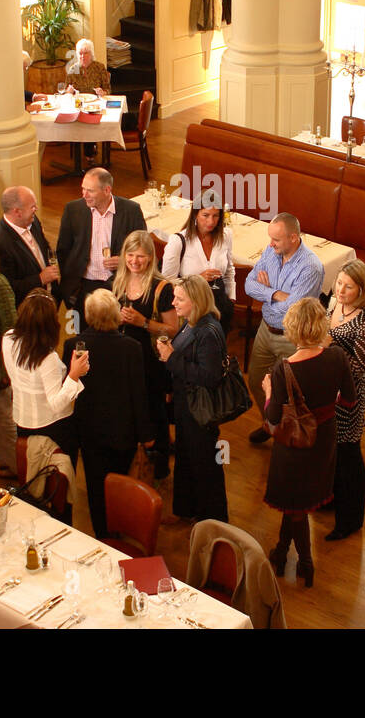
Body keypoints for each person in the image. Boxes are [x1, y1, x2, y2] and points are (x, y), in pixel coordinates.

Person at [260, 297, 354, 588]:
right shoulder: (337, 356)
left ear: (292, 329)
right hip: (324, 441)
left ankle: (306, 562)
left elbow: (272, 419)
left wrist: (267, 391)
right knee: (297, 504)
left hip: (293, 447)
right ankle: (279, 550)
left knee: (294, 505)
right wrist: (321, 408)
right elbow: (349, 401)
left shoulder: (283, 369)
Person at [61, 289, 152, 539]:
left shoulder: (73, 346)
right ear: (116, 316)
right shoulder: (132, 348)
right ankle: (119, 528)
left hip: (89, 432)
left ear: (88, 315)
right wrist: (147, 435)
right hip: (123, 431)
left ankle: (101, 531)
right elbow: (138, 394)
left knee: (95, 484)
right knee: (121, 482)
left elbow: (68, 392)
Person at [245, 212, 327, 444]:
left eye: (276, 240)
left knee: (290, 392)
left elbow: (293, 308)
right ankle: (271, 423)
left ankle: (289, 434)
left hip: (291, 337)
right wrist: (274, 293)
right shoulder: (272, 251)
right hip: (265, 330)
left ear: (293, 238)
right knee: (256, 380)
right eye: (271, 239)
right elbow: (249, 284)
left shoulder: (310, 267)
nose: (270, 244)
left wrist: (267, 294)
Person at [156, 276, 229, 523]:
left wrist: (171, 358)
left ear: (195, 301)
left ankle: (212, 521)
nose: (173, 302)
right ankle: (187, 510)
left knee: (205, 465)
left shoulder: (208, 331)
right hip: (186, 406)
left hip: (200, 411)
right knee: (187, 459)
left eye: (179, 298)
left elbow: (210, 376)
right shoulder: (191, 322)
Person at [111, 230, 177, 473]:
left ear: (151, 257)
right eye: (130, 255)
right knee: (129, 407)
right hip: (124, 359)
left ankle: (159, 462)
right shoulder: (116, 282)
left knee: (154, 410)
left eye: (140, 256)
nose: (134, 261)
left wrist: (143, 323)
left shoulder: (163, 288)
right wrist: (114, 319)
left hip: (151, 362)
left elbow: (172, 330)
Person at [324, 259, 365, 542]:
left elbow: (359, 365)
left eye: (349, 286)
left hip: (350, 395)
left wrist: (328, 355)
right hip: (327, 389)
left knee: (348, 455)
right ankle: (331, 499)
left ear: (362, 289)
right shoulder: (334, 305)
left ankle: (350, 519)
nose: (342, 290)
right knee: (331, 450)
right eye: (339, 283)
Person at [3, 290, 87, 462]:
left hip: (22, 419)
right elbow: (56, 404)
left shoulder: (8, 338)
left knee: (30, 470)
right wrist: (74, 375)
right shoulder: (47, 358)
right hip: (52, 426)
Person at [55, 167, 147, 311]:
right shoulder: (73, 210)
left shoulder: (131, 211)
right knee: (83, 332)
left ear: (107, 190)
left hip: (119, 282)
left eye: (90, 191)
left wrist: (124, 260)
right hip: (83, 286)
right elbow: (63, 250)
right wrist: (70, 288)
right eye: (83, 189)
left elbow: (143, 248)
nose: (84, 195)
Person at [160, 196, 236, 336]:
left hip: (220, 306)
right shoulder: (178, 241)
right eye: (205, 215)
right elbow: (166, 282)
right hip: (192, 308)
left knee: (217, 349)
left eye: (215, 216)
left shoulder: (226, 235)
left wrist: (231, 299)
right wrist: (198, 278)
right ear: (195, 213)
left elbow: (229, 271)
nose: (211, 221)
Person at [0, 185, 59, 303]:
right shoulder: (0, 244)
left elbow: (44, 246)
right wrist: (40, 279)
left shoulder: (32, 220)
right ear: (17, 212)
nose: (36, 209)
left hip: (49, 299)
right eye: (32, 207)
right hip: (30, 308)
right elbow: (8, 287)